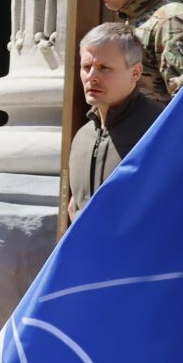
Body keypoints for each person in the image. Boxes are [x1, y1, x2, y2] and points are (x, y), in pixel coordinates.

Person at [67, 23, 162, 220]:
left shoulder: (159, 129)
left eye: (105, 68)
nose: (91, 77)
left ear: (135, 73)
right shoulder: (82, 136)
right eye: (86, 67)